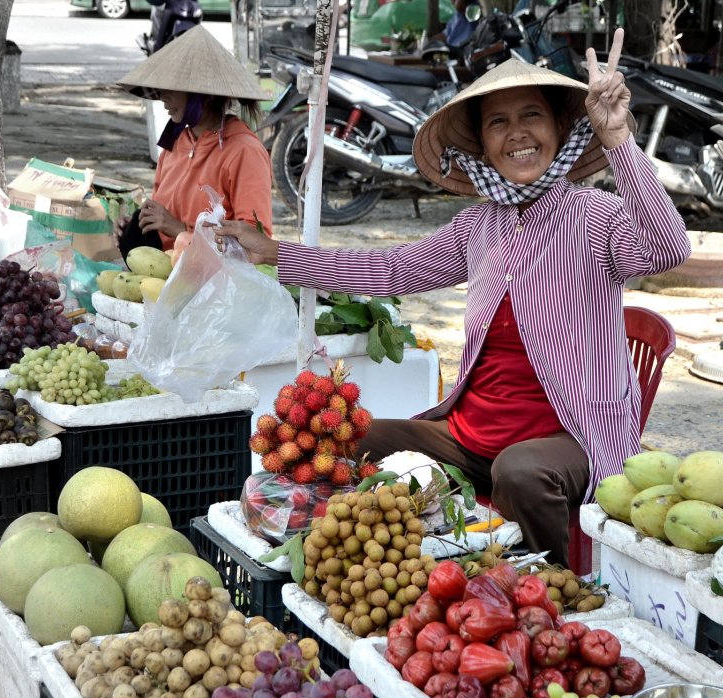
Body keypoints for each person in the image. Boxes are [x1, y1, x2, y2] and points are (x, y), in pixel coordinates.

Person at [216, 30, 691, 565]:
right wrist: (278, 254)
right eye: (498, 123)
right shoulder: (478, 227)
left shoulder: (593, 216)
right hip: (468, 437)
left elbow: (668, 245)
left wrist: (618, 139)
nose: (518, 135)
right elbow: (390, 269)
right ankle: (365, 562)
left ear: (560, 129)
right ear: (482, 145)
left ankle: (554, 585)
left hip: (566, 438)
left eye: (531, 116)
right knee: (346, 441)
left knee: (521, 472)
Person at [114, 25, 273, 258]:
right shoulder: (176, 142)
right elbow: (161, 215)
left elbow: (256, 246)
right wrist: (136, 227)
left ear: (206, 94)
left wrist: (178, 230)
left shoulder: (244, 151)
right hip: (163, 274)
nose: (162, 96)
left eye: (173, 88)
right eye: (160, 88)